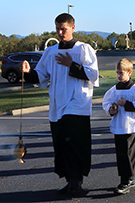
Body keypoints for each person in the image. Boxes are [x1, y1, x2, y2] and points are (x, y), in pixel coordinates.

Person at [21, 13, 99, 196]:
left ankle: (77, 181)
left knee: (75, 143)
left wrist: (71, 64)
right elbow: (41, 76)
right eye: (57, 28)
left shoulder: (83, 50)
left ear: (73, 27)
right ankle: (70, 180)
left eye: (63, 28)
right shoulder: (50, 52)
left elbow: (93, 75)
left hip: (77, 103)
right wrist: (28, 72)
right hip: (57, 105)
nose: (60, 32)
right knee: (61, 144)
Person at [102, 59, 135, 195]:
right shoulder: (114, 90)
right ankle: (128, 178)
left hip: (131, 127)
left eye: (121, 73)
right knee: (121, 154)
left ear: (129, 72)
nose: (118, 75)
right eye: (117, 73)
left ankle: (126, 180)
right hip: (118, 126)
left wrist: (127, 104)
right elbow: (106, 102)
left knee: (128, 154)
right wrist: (111, 110)